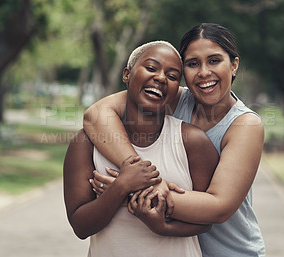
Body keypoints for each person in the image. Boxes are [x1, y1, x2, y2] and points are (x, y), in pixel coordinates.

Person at [83, 23, 266, 256]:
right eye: (192, 64)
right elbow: (95, 116)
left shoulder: (245, 125)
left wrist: (130, 190)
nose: (203, 72)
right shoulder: (174, 98)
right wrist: (137, 172)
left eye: (214, 60)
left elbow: (218, 207)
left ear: (233, 65)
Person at [63, 41, 219, 257]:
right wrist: (121, 186)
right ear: (127, 74)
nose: (161, 78)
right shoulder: (86, 143)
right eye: (151, 68)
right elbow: (80, 226)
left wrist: (162, 227)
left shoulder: (193, 142)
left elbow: (206, 220)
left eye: (172, 76)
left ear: (177, 91)